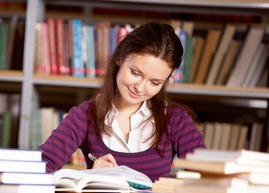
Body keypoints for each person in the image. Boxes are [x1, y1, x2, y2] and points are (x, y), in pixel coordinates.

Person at [39, 21, 206, 182]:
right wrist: (87, 177)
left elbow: (208, 176)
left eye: (155, 83)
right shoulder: (84, 116)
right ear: (120, 57)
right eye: (135, 73)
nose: (140, 88)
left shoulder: (176, 119)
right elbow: (38, 169)